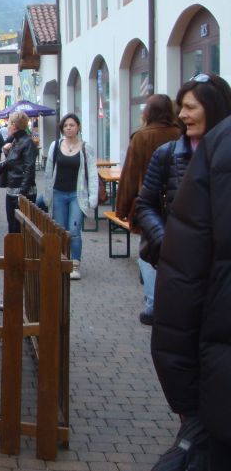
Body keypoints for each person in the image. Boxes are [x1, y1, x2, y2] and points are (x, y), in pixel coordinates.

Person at [152, 101, 231, 469]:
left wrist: (184, 396)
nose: (184, 115)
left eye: (190, 106)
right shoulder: (213, 147)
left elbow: (181, 285)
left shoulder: (218, 145)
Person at [135, 74, 231, 325]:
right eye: (181, 107)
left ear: (213, 108)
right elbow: (145, 204)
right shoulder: (167, 154)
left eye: (190, 107)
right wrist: (167, 242)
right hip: (182, 272)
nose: (182, 115)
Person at [113, 94, 180, 325]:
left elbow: (130, 175)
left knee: (147, 253)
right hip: (177, 203)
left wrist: (122, 208)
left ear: (148, 112)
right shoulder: (179, 134)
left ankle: (153, 304)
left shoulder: (141, 137)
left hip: (149, 205)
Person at [42, 113, 98, 280]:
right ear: (62, 128)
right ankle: (62, 261)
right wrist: (47, 194)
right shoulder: (55, 146)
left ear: (78, 127)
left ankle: (75, 264)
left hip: (77, 195)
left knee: (74, 231)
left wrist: (93, 196)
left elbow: (92, 173)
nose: (68, 128)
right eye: (66, 125)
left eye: (72, 125)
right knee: (60, 230)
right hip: (58, 193)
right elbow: (48, 172)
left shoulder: (86, 148)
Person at [0, 111, 38, 234]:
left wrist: (22, 194)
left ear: (14, 126)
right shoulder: (16, 141)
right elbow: (14, 163)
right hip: (13, 190)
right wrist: (6, 151)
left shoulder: (27, 142)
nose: (8, 126)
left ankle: (20, 248)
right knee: (13, 227)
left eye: (9, 124)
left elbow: (29, 169)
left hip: (22, 192)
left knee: (18, 229)